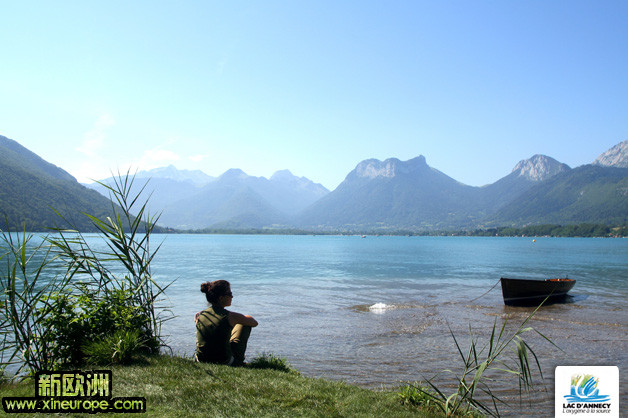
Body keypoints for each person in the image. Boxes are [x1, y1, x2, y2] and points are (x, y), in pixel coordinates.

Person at [195, 280, 258, 366]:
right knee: (244, 325)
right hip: (224, 361)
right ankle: (238, 361)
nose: (232, 296)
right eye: (230, 294)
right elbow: (254, 323)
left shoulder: (201, 315)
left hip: (201, 359)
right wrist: (244, 317)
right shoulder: (231, 316)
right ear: (221, 298)